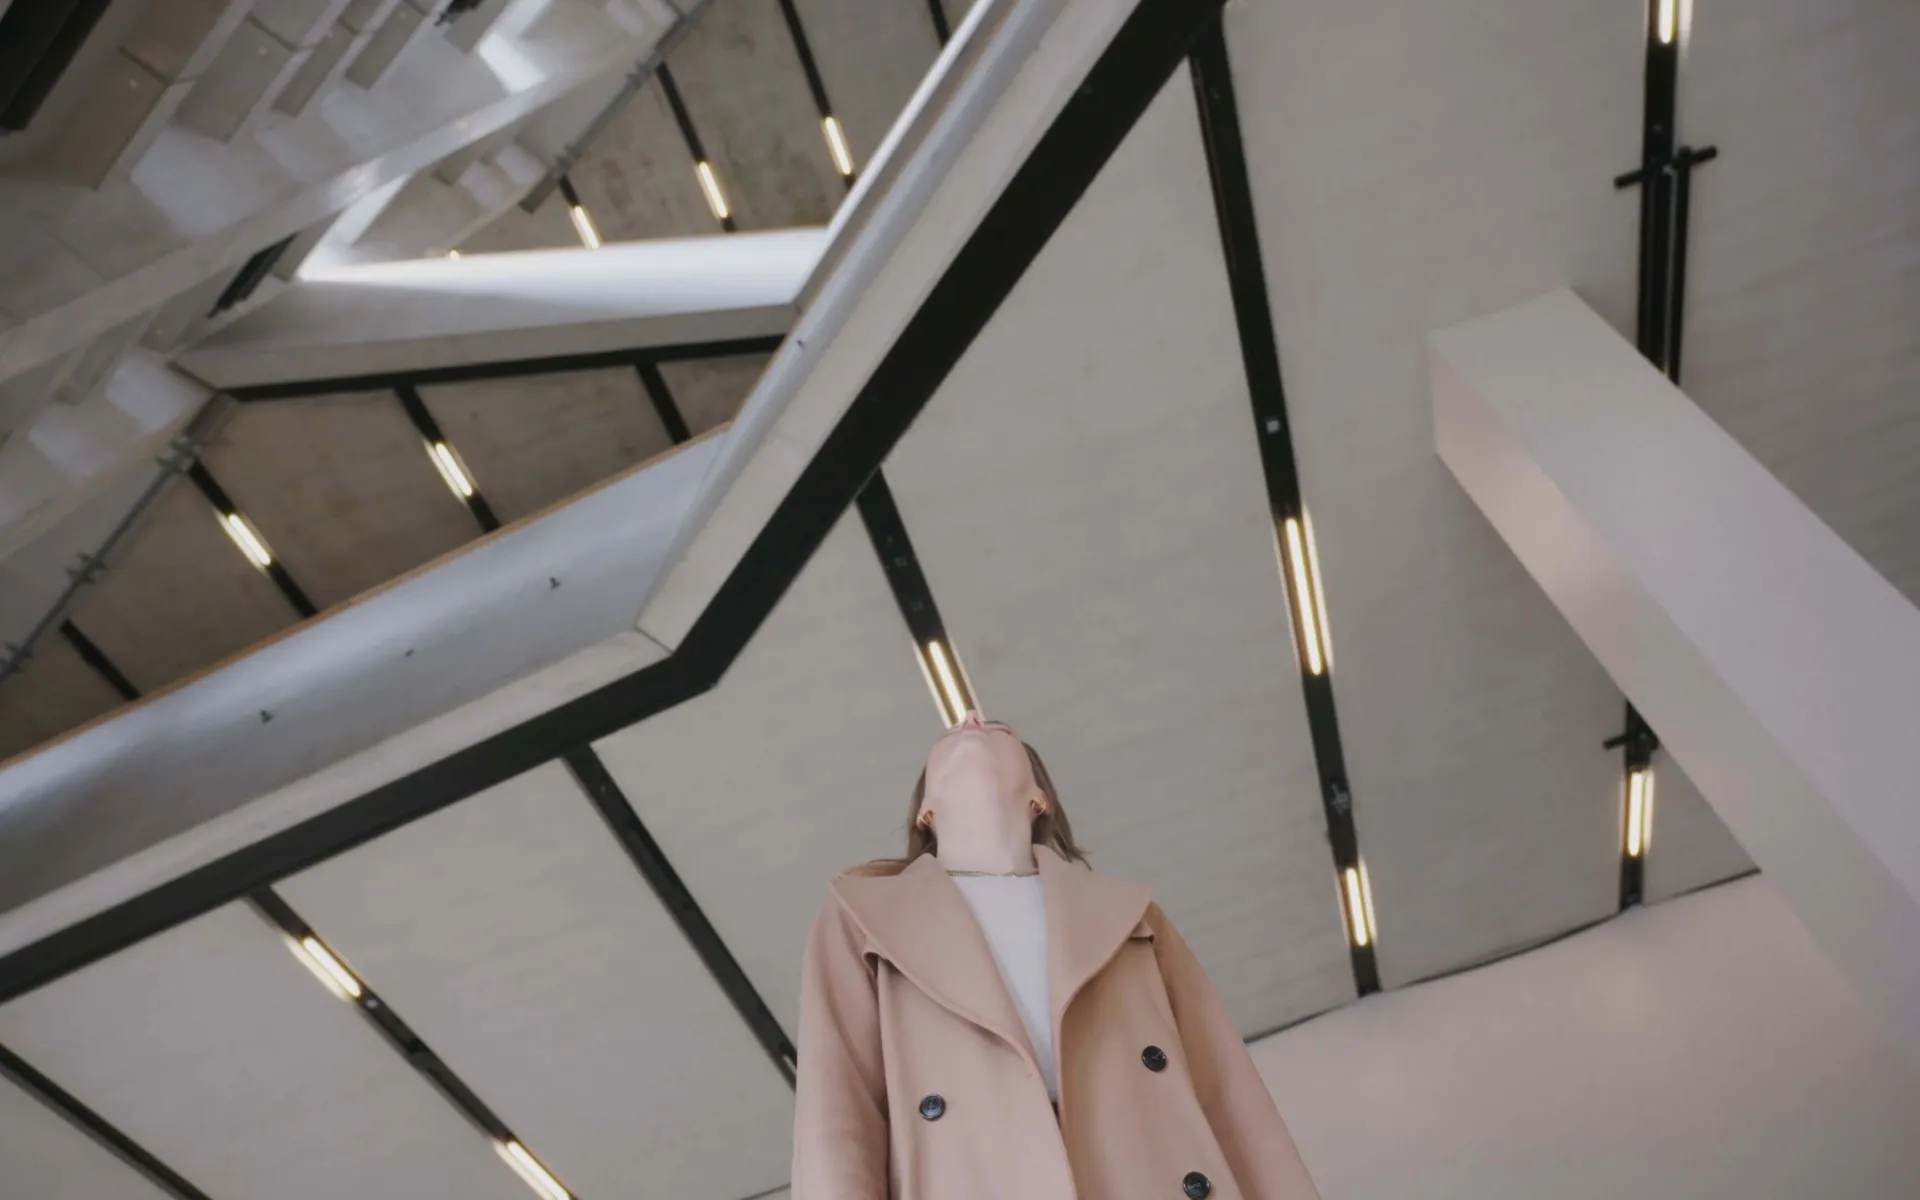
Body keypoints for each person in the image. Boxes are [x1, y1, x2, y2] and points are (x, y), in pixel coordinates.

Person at [792, 708, 1323, 1200]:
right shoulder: (863, 917)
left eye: (998, 727)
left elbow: (1229, 1094)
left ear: (1038, 797)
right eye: (952, 734)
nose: (972, 716)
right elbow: (837, 1119)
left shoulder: (1130, 916)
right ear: (926, 811)